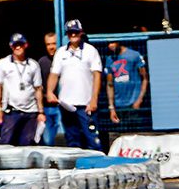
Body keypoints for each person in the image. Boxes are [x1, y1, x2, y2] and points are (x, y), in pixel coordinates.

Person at [47, 19, 103, 151]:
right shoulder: (61, 52)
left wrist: (94, 99)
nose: (73, 35)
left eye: (76, 32)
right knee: (72, 141)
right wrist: (50, 91)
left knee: (93, 140)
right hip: (67, 105)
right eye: (70, 32)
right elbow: (54, 74)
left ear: (81, 32)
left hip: (86, 104)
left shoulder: (90, 51)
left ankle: (98, 168)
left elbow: (97, 75)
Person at [0, 33, 45, 146]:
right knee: (6, 143)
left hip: (30, 111)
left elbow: (38, 89)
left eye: (20, 44)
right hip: (12, 111)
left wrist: (40, 111)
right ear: (11, 46)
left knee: (27, 144)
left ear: (26, 45)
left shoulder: (33, 65)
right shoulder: (2, 64)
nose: (18, 47)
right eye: (15, 45)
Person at [104, 39, 147, 125]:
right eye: (108, 43)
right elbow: (110, 84)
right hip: (118, 106)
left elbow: (144, 78)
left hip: (133, 104)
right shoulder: (109, 59)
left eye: (112, 42)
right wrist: (111, 108)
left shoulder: (134, 55)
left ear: (118, 42)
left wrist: (139, 100)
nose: (110, 45)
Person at [37, 33, 62, 145]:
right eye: (48, 44)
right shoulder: (42, 62)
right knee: (47, 140)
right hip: (47, 107)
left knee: (62, 138)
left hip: (62, 107)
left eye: (54, 43)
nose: (51, 47)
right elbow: (38, 86)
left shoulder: (64, 60)